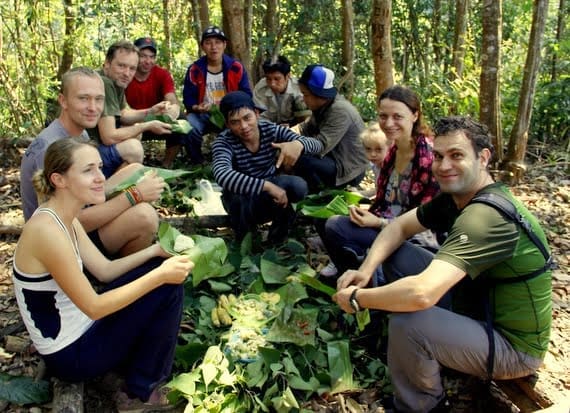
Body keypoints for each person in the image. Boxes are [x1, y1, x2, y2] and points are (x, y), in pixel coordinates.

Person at [334, 116, 552, 412]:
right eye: (438, 156)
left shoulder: (485, 217)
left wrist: (358, 299)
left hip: (513, 347)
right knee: (398, 253)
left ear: (483, 158)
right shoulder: (457, 197)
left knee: (409, 321)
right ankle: (425, 352)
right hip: (476, 305)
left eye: (457, 155)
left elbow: (421, 294)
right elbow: (398, 227)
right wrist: (365, 270)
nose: (444, 165)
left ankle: (422, 405)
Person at [13, 139, 194, 412]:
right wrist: (160, 277)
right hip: (72, 355)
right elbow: (95, 307)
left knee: (158, 272)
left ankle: (131, 363)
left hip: (82, 330)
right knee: (167, 287)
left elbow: (105, 270)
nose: (100, 178)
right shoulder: (47, 231)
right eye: (88, 170)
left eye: (99, 167)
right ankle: (139, 392)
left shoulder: (65, 216)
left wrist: (156, 252)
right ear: (59, 180)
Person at [20, 67, 165, 257]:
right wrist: (134, 196)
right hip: (59, 244)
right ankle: (112, 276)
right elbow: (62, 222)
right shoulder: (50, 149)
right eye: (83, 98)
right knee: (144, 216)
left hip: (80, 209)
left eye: (99, 99)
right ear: (63, 101)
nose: (93, 107)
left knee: (136, 170)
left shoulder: (80, 133)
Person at [321, 86, 440, 278]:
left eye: (397, 116)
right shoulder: (393, 150)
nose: (389, 123)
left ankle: (373, 284)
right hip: (386, 224)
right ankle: (353, 279)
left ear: (415, 115)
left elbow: (423, 220)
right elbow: (384, 200)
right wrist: (366, 214)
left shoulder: (428, 157)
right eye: (383, 116)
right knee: (333, 223)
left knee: (338, 228)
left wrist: (378, 222)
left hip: (415, 238)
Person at [211, 91, 324, 244]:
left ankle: (277, 239)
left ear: (256, 114)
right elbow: (222, 174)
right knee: (238, 198)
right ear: (227, 124)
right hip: (242, 202)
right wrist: (267, 186)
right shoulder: (223, 142)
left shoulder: (271, 130)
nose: (243, 126)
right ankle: (246, 242)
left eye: (247, 118)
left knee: (297, 185)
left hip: (271, 199)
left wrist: (298, 144)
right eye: (235, 122)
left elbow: (318, 145)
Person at [89, 39, 173, 177]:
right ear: (107, 63)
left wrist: (150, 111)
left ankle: (110, 180)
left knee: (135, 133)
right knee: (134, 148)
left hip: (91, 146)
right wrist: (147, 125)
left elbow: (123, 114)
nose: (127, 73)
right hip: (78, 152)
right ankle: (105, 190)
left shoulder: (116, 81)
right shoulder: (104, 83)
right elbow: (108, 137)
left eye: (132, 68)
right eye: (121, 66)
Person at [293, 64, 368, 192]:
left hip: (348, 169)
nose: (303, 99)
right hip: (332, 159)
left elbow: (321, 145)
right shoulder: (321, 107)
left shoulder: (340, 110)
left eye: (305, 94)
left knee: (302, 160)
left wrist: (296, 146)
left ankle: (319, 193)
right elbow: (304, 129)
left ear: (319, 95)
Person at [182, 26, 252, 164]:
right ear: (202, 46)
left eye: (218, 42)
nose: (213, 47)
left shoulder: (235, 67)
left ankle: (238, 160)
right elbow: (188, 98)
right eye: (208, 43)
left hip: (229, 114)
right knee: (189, 125)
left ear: (224, 45)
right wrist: (197, 107)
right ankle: (197, 162)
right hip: (202, 114)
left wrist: (230, 107)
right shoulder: (195, 69)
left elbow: (246, 95)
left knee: (243, 124)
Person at [125, 37, 185, 168]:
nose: (148, 61)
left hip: (156, 118)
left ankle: (166, 165)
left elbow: (171, 97)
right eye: (143, 56)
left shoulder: (161, 74)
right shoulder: (125, 74)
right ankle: (130, 168)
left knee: (180, 120)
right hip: (131, 120)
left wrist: (171, 107)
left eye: (152, 57)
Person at [253, 55, 310, 127]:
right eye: (268, 79)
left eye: (277, 79)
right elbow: (259, 117)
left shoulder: (298, 89)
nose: (272, 84)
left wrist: (292, 126)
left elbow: (306, 119)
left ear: (288, 76)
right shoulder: (261, 88)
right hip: (269, 128)